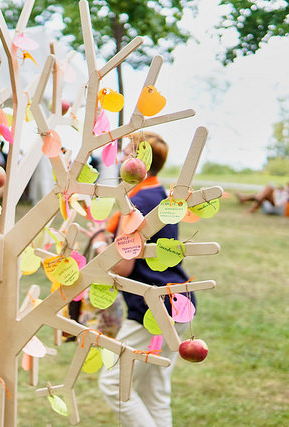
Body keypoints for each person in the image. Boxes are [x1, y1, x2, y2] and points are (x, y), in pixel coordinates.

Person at [90, 132, 192, 427]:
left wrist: (99, 246)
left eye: (127, 154)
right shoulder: (159, 195)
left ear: (142, 162)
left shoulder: (136, 204)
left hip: (152, 307)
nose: (121, 159)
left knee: (114, 384)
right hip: (179, 301)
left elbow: (121, 266)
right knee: (154, 391)